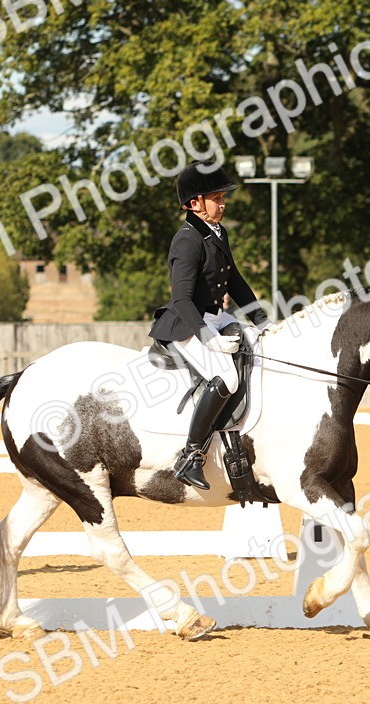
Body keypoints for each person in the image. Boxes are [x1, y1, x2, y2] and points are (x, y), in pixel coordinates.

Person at [148, 161, 270, 490]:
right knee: (228, 377)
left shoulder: (217, 232)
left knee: (261, 349)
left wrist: (261, 320)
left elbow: (235, 281)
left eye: (222, 197)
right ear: (194, 203)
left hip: (216, 316)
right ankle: (191, 457)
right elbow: (183, 300)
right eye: (216, 197)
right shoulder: (186, 240)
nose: (223, 203)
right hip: (187, 324)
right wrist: (209, 339)